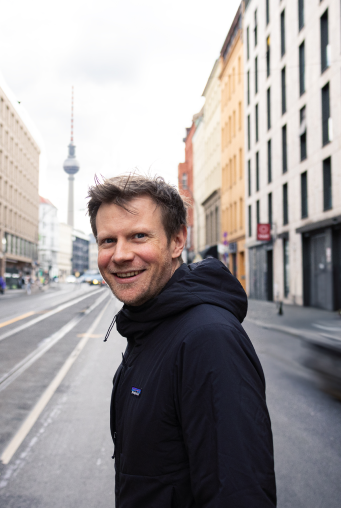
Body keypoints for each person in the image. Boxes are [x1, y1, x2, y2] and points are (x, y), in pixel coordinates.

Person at [87, 174, 277, 507]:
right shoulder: (149, 324)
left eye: (138, 236)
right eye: (107, 241)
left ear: (177, 241)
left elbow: (238, 494)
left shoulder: (208, 339)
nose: (119, 255)